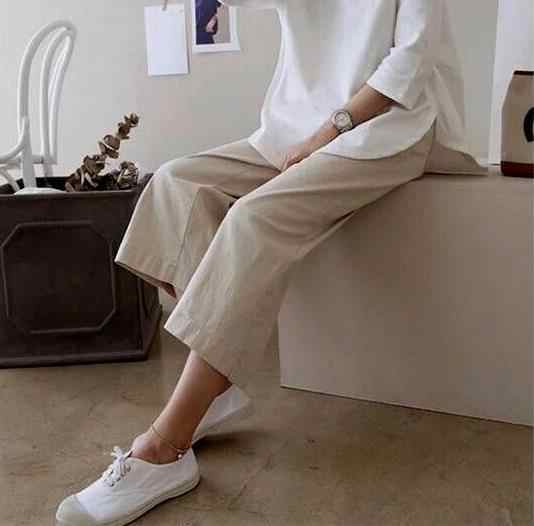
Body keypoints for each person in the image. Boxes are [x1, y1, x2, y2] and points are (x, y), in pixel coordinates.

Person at [56, 1, 486, 524]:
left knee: (252, 220)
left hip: (390, 126)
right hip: (297, 124)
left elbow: (410, 62)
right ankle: (215, 383)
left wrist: (328, 133)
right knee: (175, 184)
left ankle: (166, 447)